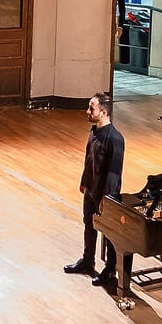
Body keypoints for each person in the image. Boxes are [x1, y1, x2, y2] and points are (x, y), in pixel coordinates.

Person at [64, 92, 124, 279]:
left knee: (109, 232)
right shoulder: (94, 131)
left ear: (104, 112)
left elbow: (114, 172)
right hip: (90, 189)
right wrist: (84, 183)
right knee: (88, 225)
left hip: (105, 195)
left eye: (92, 108)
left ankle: (110, 269)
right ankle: (87, 260)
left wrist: (106, 199)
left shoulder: (115, 139)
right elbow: (89, 160)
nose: (88, 111)